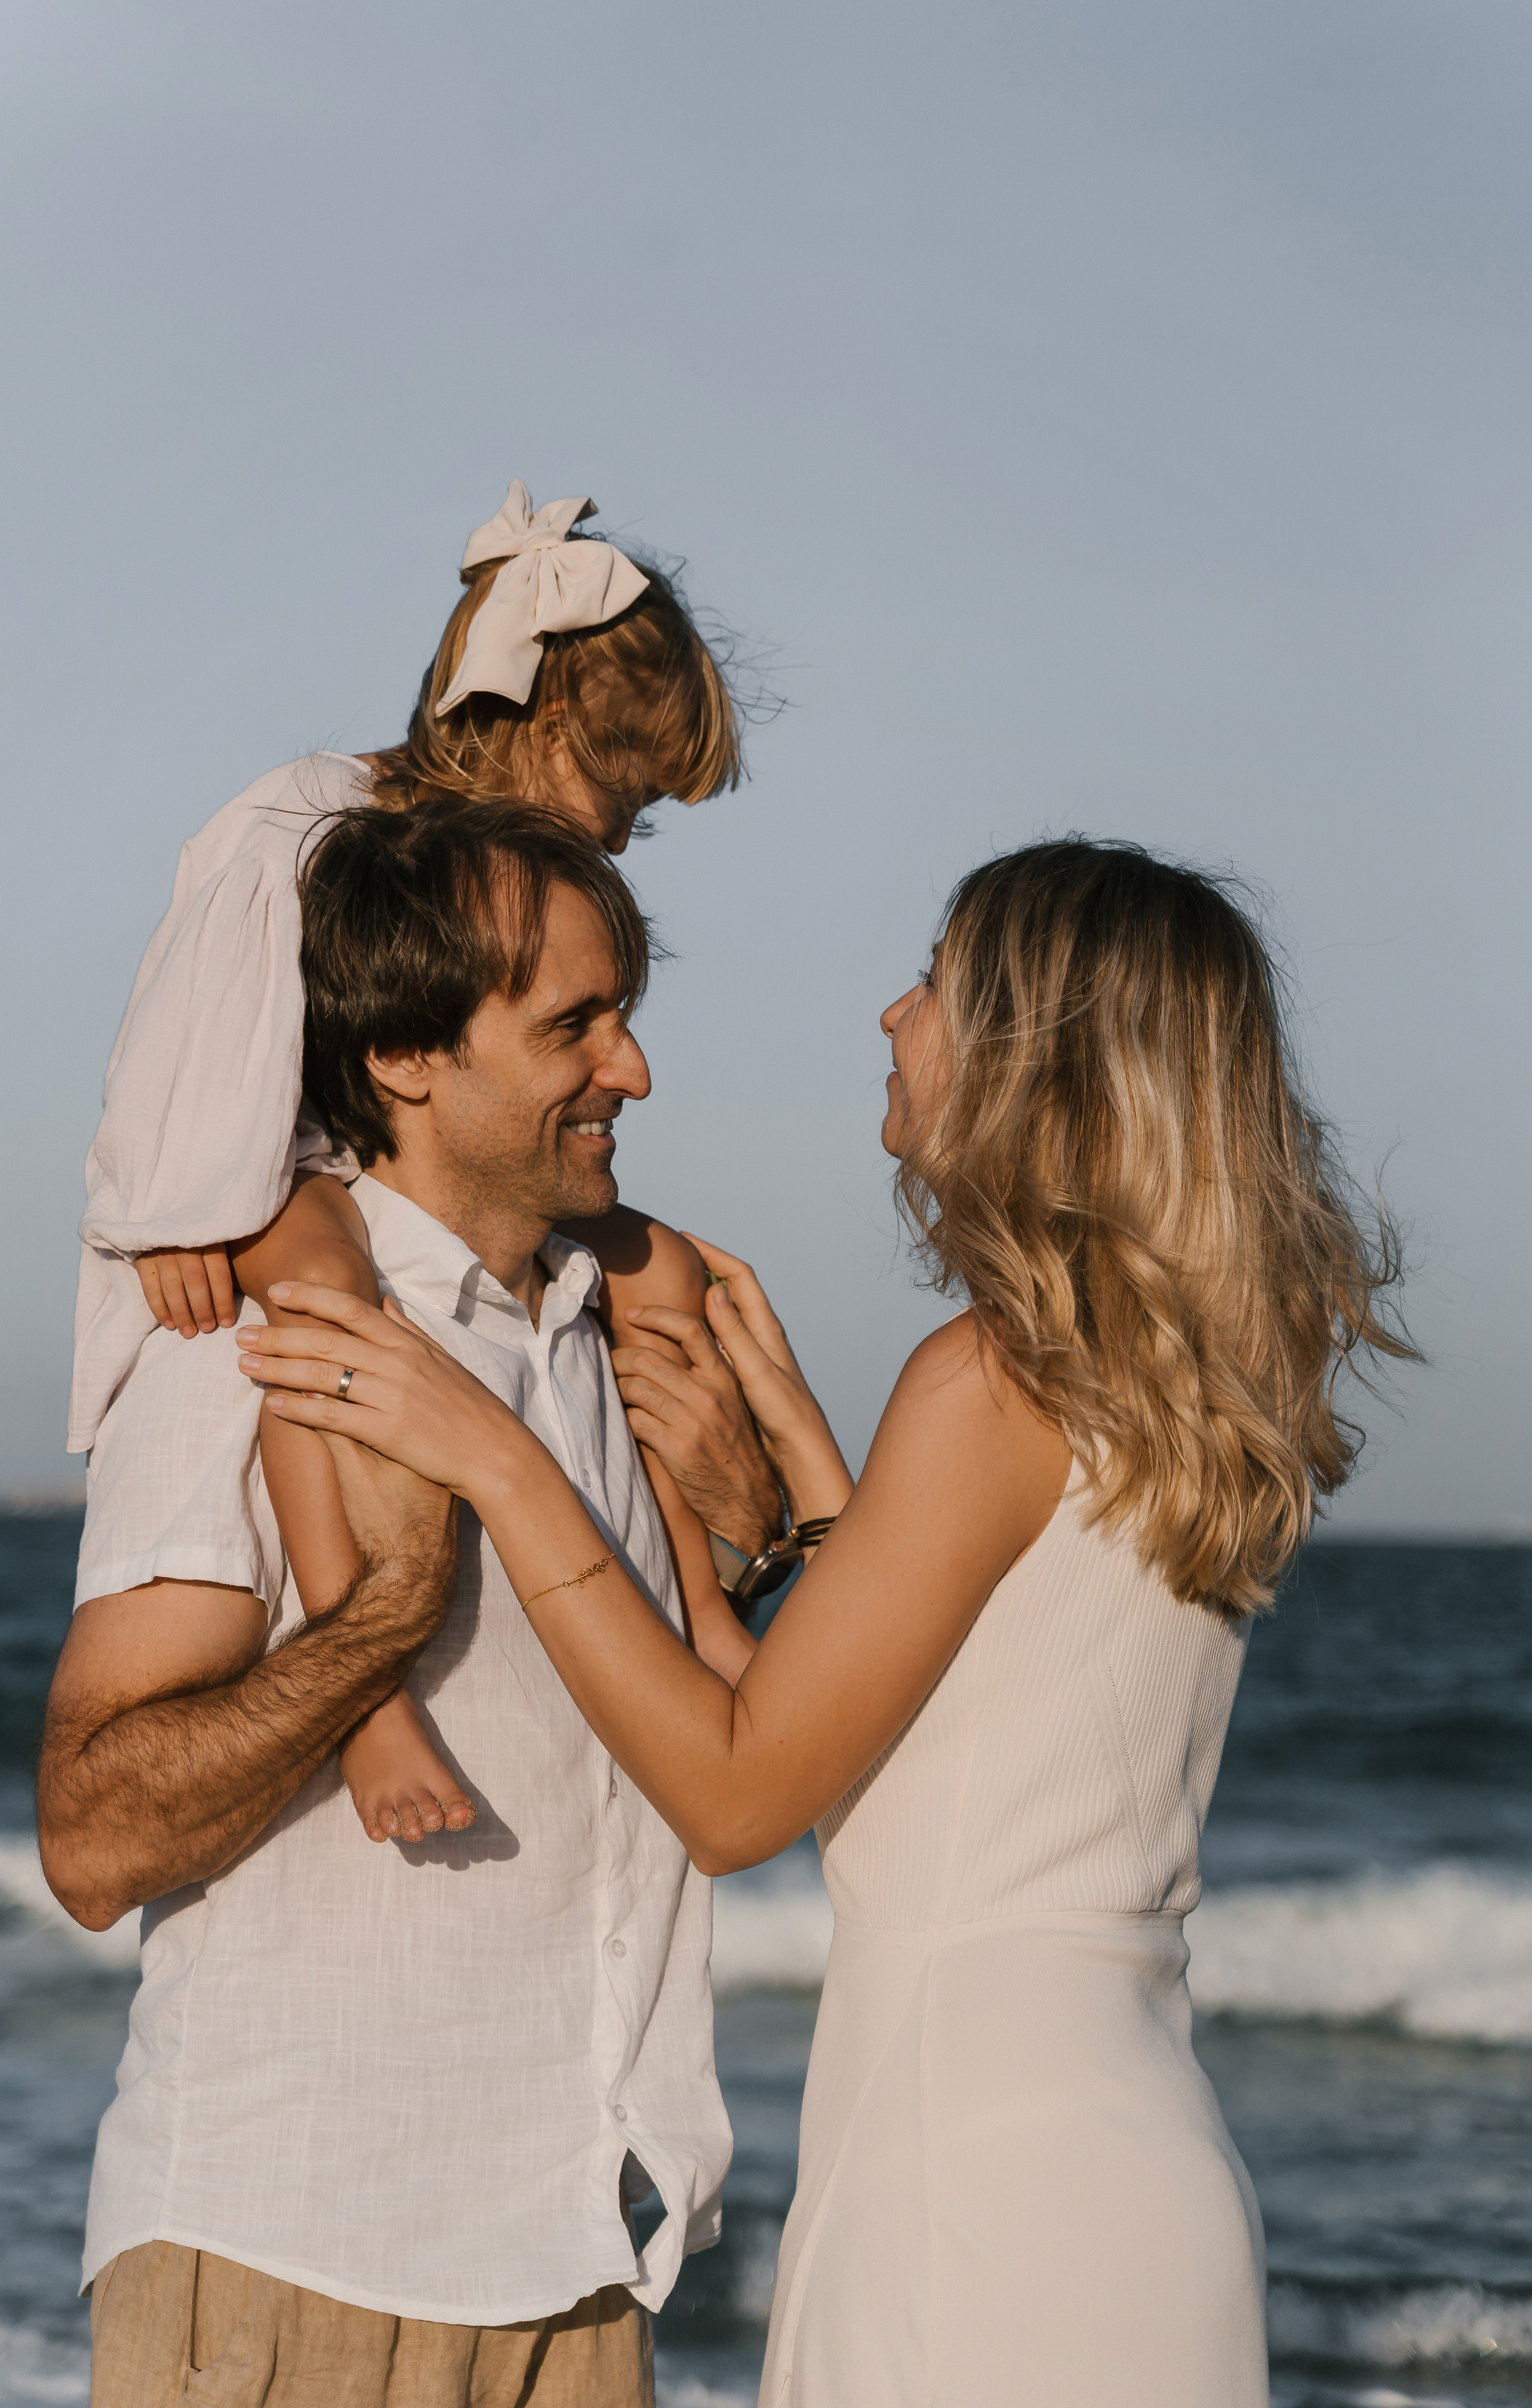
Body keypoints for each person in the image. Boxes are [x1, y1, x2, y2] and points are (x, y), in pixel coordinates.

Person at [241, 838, 1412, 2408]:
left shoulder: (987, 1380)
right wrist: (791, 1500)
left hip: (967, 2172)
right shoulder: (1173, 1381)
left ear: (1025, 1051)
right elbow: (919, 1763)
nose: (888, 1015)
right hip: (1134, 2165)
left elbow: (734, 1797)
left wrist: (501, 1461)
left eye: (933, 983)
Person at [40, 801, 781, 2407]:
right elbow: (93, 1838)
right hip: (295, 2258)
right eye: (573, 1025)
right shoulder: (247, 1342)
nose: (633, 1070)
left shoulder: (621, 1355)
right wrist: (382, 1621)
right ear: (404, 1058)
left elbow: (738, 1757)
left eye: (625, 1017)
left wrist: (771, 1526)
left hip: (585, 2271)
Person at [68, 479, 776, 1844]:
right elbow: (180, 1050)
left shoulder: (505, 882)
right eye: (616, 795)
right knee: (332, 1314)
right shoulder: (317, 826)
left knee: (662, 1267)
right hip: (257, 1188)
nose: (619, 836)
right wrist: (175, 1214)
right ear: (541, 724)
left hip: (380, 1180)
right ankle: (370, 1671)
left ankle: (704, 1612)